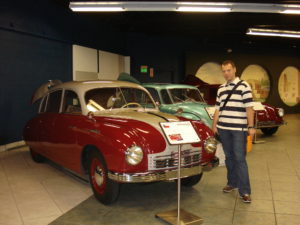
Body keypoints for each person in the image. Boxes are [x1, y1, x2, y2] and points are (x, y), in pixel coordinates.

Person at [212, 60, 255, 203]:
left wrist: (251, 126)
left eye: (228, 70)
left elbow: (249, 108)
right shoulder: (221, 88)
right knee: (229, 158)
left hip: (239, 129)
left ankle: (245, 191)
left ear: (235, 70)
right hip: (224, 128)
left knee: (240, 159)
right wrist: (214, 125)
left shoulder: (244, 86)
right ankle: (232, 183)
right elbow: (217, 108)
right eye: (223, 71)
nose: (226, 73)